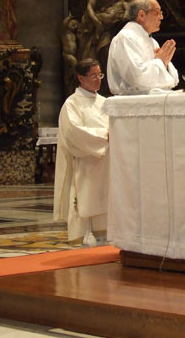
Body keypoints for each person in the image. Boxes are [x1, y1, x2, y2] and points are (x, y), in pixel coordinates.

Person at [53, 59, 109, 246]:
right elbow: (73, 133)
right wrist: (104, 137)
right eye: (93, 75)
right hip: (85, 162)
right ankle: (84, 235)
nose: (98, 79)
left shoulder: (105, 103)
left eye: (99, 75)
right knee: (85, 199)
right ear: (80, 78)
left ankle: (105, 234)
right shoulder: (72, 104)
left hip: (105, 162)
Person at [107, 0, 179, 95]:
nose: (161, 17)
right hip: (132, 102)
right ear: (141, 15)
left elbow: (174, 80)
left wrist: (165, 64)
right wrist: (160, 62)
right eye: (157, 12)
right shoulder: (126, 37)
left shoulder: (152, 42)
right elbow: (137, 78)